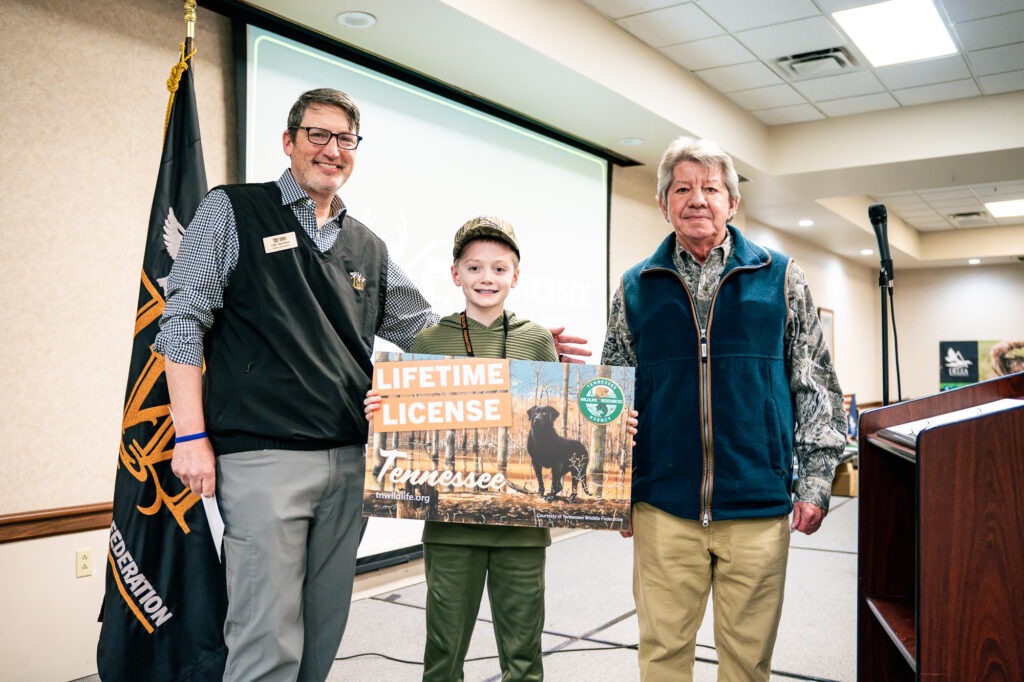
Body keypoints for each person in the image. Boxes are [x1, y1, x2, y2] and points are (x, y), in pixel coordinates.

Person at [154, 89, 588, 682]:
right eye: (317, 135)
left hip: (350, 463)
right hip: (263, 458)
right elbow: (181, 321)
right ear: (289, 141)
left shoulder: (367, 246)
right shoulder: (232, 210)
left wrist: (525, 352)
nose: (331, 150)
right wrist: (190, 435)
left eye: (345, 139)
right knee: (264, 632)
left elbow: (427, 333)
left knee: (324, 621)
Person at [601, 136, 846, 682]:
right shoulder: (634, 288)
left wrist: (814, 483)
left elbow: (815, 385)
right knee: (662, 655)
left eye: (711, 188)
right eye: (682, 188)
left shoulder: (781, 277)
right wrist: (614, 491)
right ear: (664, 203)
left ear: (732, 203)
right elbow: (611, 395)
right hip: (663, 506)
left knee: (747, 662)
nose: (696, 199)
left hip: (757, 505)